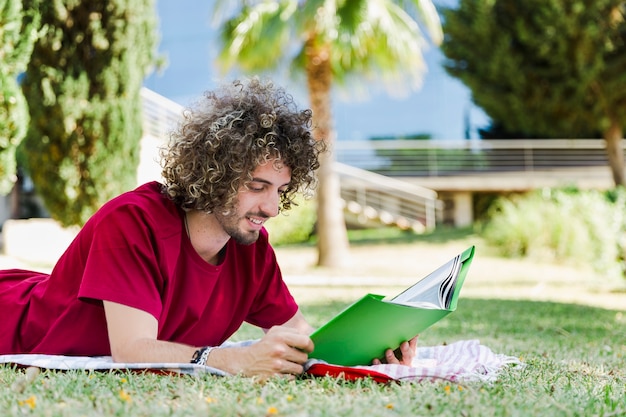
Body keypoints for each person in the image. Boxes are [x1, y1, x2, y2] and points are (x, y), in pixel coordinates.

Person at [0, 78, 417, 379]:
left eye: (280, 190)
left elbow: (301, 337)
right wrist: (231, 360)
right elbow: (132, 352)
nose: (271, 207)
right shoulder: (131, 222)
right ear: (213, 175)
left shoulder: (250, 245)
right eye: (257, 187)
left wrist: (365, 354)